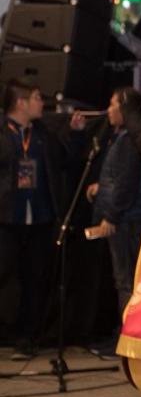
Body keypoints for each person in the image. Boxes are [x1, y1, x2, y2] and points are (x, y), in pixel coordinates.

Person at [0, 79, 85, 359]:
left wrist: (72, 133)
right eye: (37, 97)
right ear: (21, 103)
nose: (42, 103)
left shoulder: (43, 134)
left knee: (34, 281)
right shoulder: (3, 133)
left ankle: (27, 338)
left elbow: (64, 162)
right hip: (6, 220)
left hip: (39, 220)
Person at [86, 87, 141, 360]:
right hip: (126, 219)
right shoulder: (122, 139)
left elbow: (125, 186)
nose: (108, 110)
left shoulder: (127, 142)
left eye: (113, 105)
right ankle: (125, 335)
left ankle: (129, 342)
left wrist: (110, 216)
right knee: (124, 280)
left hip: (126, 222)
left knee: (126, 282)